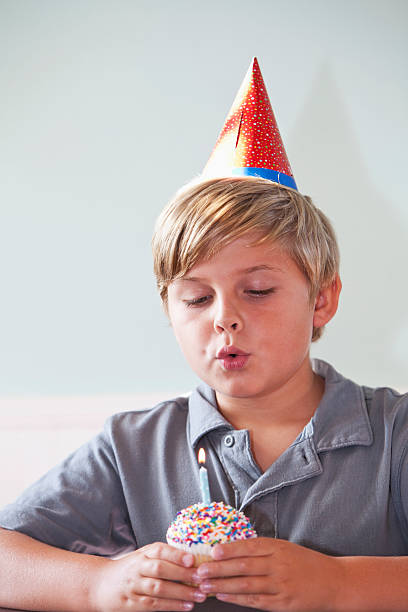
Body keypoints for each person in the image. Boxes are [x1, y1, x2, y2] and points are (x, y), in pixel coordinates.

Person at [1, 58, 407, 611]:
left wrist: (341, 586)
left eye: (258, 290)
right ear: (171, 311)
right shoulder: (133, 449)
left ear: (322, 300)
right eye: (195, 298)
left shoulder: (394, 436)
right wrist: (96, 585)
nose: (224, 318)